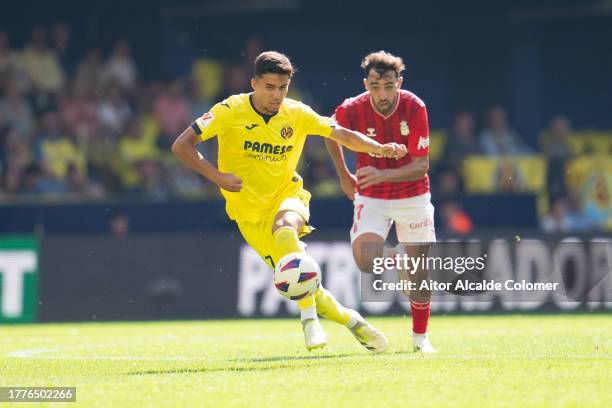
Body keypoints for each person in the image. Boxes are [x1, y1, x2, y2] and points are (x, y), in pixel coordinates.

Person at [172, 51, 407, 352]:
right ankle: (352, 321)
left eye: (282, 88)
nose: (276, 95)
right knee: (304, 280)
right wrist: (217, 177)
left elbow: (341, 134)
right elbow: (181, 145)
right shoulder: (229, 110)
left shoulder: (297, 113)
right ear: (254, 84)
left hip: (287, 195)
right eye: (269, 87)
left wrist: (380, 149)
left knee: (285, 229)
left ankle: (308, 319)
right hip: (248, 214)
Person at [325, 51, 436, 353]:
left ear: (399, 81)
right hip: (371, 196)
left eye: (388, 85)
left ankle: (420, 338)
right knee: (364, 259)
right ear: (366, 84)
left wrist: (382, 174)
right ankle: (397, 261)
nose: (382, 94)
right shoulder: (352, 108)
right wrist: (344, 175)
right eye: (374, 86)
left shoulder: (414, 107)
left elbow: (421, 164)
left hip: (412, 195)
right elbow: (328, 132)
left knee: (420, 272)